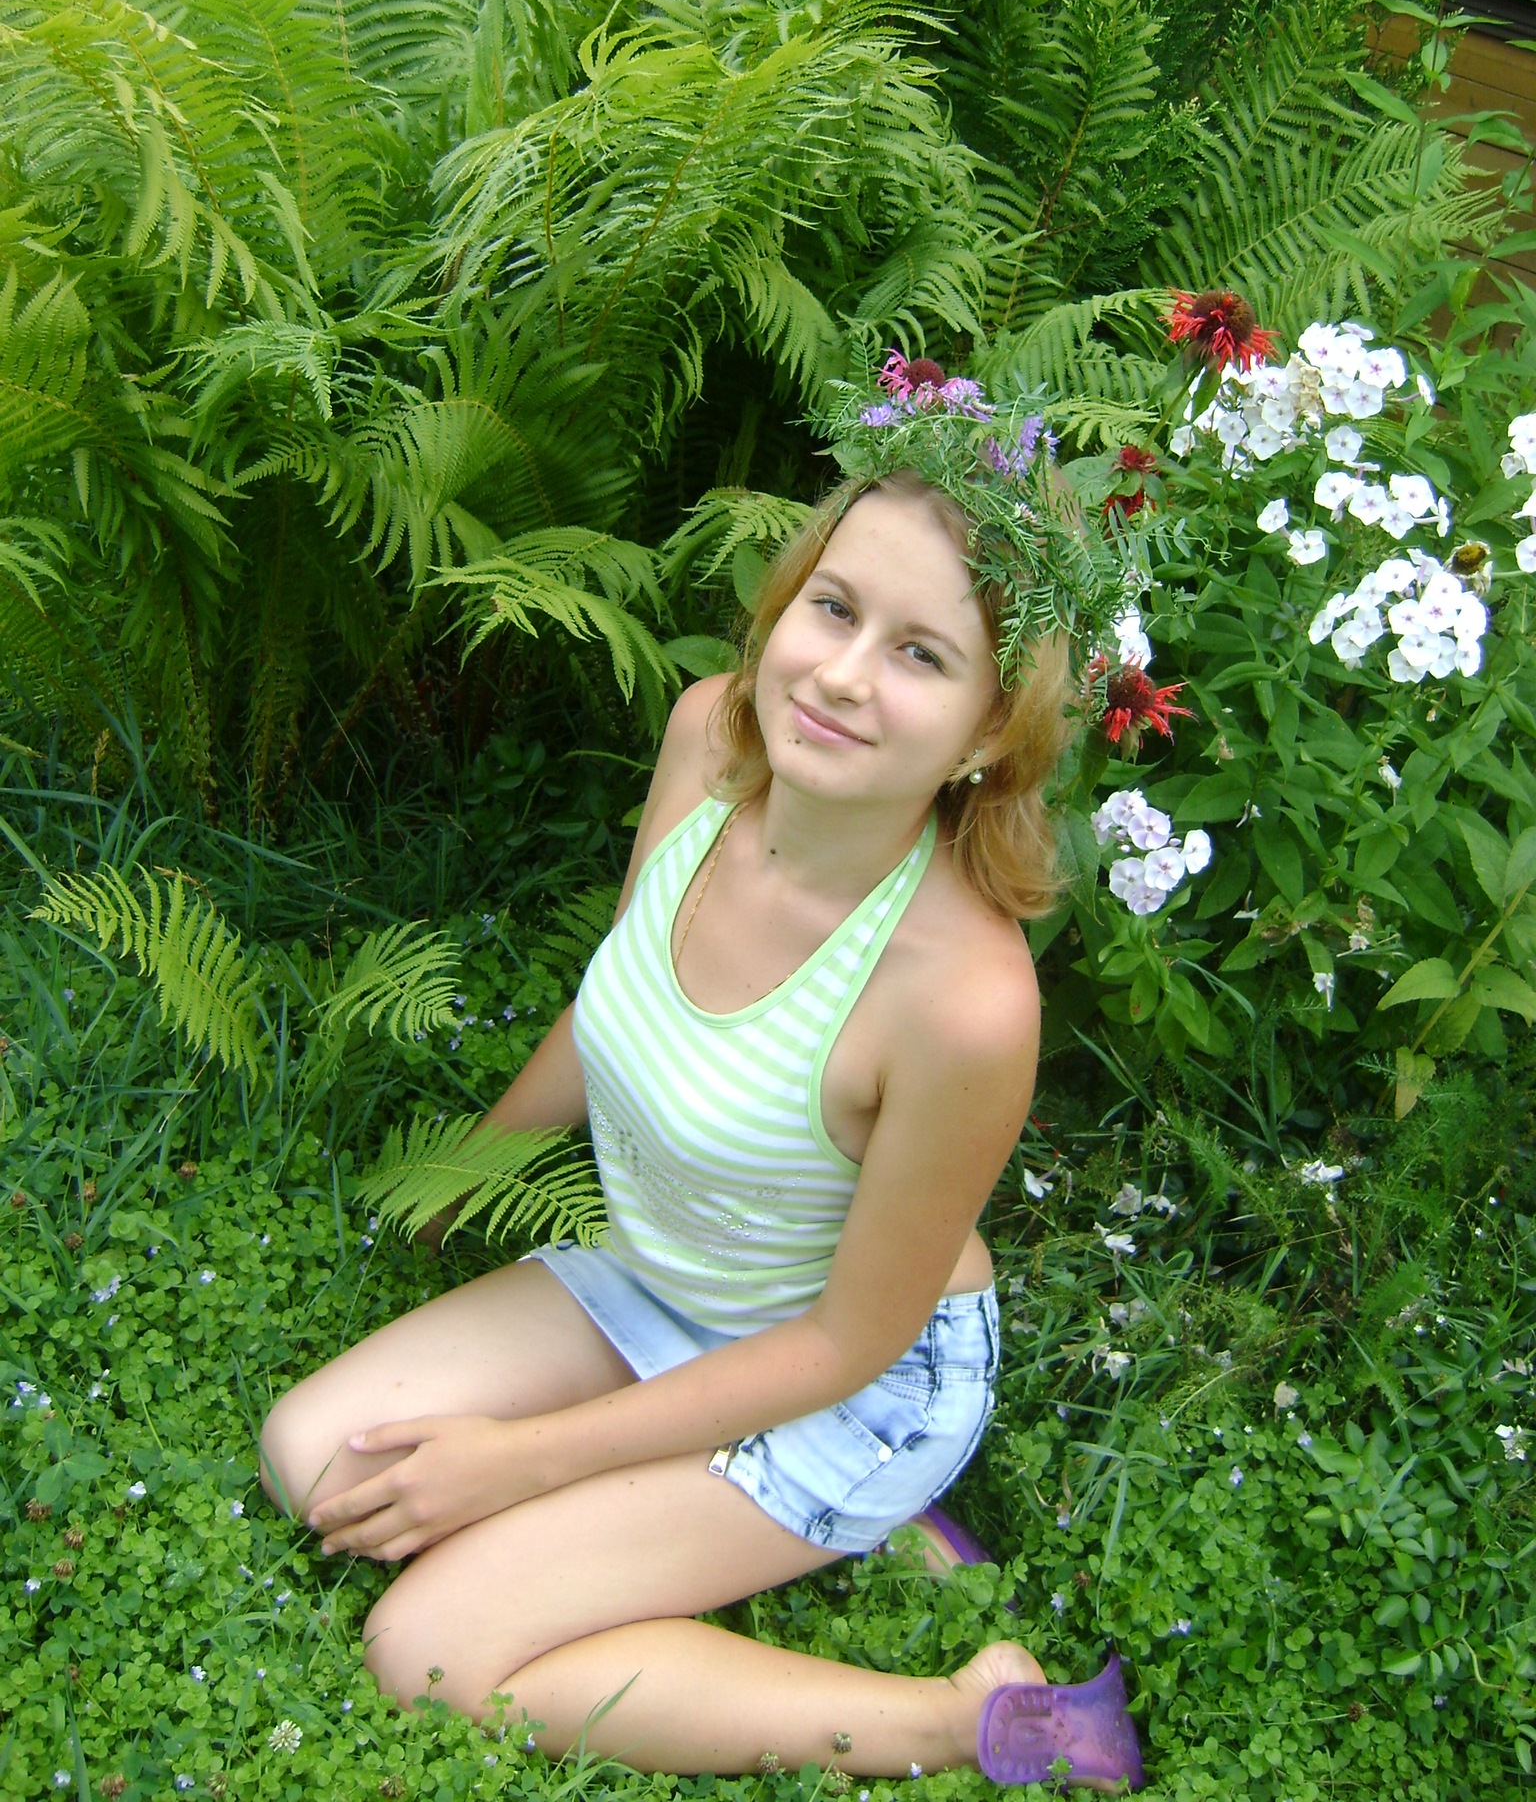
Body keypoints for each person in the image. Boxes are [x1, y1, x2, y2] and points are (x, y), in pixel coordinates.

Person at [258, 363, 1145, 1790]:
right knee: (313, 1453)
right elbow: (617, 1002)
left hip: (848, 1379)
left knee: (425, 1649)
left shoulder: (964, 1004)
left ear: (992, 729)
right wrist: (467, 1177)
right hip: (661, 1279)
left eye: (922, 655)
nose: (842, 676)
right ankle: (777, 1524)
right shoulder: (706, 741)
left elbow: (841, 1345)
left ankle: (970, 1710)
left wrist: (525, 1460)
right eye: (835, 609)